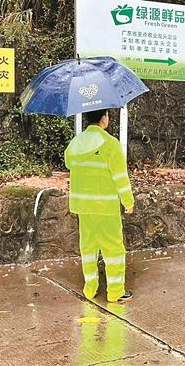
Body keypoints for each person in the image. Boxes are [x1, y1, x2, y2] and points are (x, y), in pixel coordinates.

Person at [65, 108, 134, 304]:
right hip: (105, 206)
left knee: (88, 248)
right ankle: (115, 292)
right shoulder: (110, 144)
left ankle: (90, 289)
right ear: (104, 118)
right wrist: (128, 202)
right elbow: (120, 177)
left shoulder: (75, 144)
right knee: (113, 249)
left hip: (83, 206)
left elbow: (69, 163)